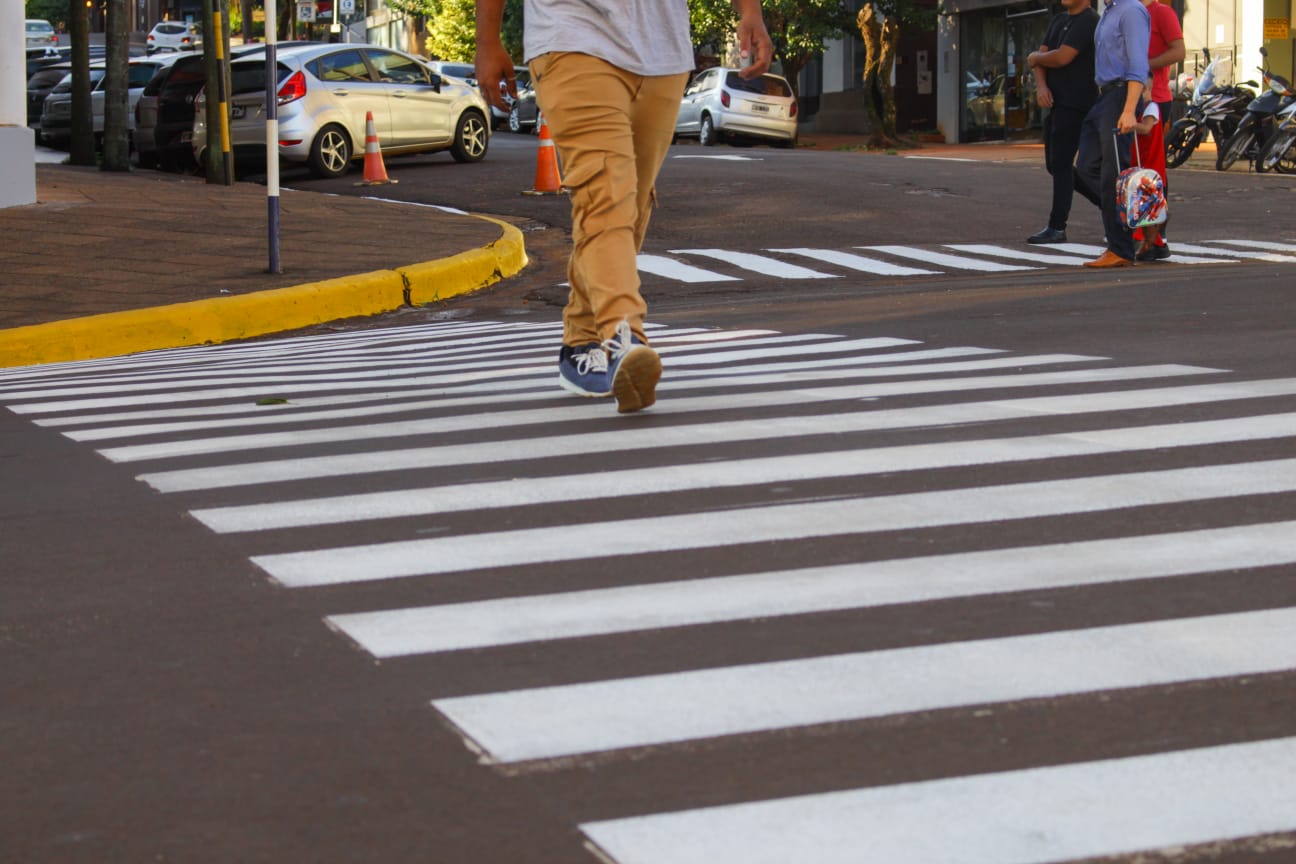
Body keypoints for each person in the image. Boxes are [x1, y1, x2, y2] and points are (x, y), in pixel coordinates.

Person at [474, 0, 773, 413]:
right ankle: (624, 333)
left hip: (662, 50)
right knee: (605, 194)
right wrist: (487, 39)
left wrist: (750, 11)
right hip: (570, 36)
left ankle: (582, 338)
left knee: (629, 202)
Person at [1072, 0, 1151, 268]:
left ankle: (1121, 248)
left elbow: (1139, 63)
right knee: (1085, 168)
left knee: (1113, 174)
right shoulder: (1109, 11)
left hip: (1120, 96)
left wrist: (1129, 109)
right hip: (1104, 97)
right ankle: (1133, 215)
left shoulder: (1131, 10)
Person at [1025, 0, 1100, 244]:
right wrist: (1042, 86)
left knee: (1062, 163)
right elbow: (1041, 59)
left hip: (1076, 102)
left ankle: (1057, 226)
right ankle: (1109, 204)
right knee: (1056, 165)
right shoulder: (1058, 20)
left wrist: (1036, 56)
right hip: (1054, 102)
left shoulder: (1089, 20)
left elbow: (1061, 57)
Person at [1139, 0, 1183, 251]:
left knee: (1153, 168)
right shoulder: (1125, 12)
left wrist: (1143, 66)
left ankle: (1158, 232)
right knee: (1133, 166)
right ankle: (1139, 226)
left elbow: (1179, 51)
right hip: (1128, 97)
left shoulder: (1162, 12)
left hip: (1153, 97)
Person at [1130, 93, 1169, 259]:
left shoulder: (1151, 107)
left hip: (1151, 167)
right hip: (1143, 166)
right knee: (1147, 209)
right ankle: (1156, 245)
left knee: (1145, 208)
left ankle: (1147, 244)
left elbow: (1146, 128)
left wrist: (1130, 124)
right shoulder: (1138, 109)